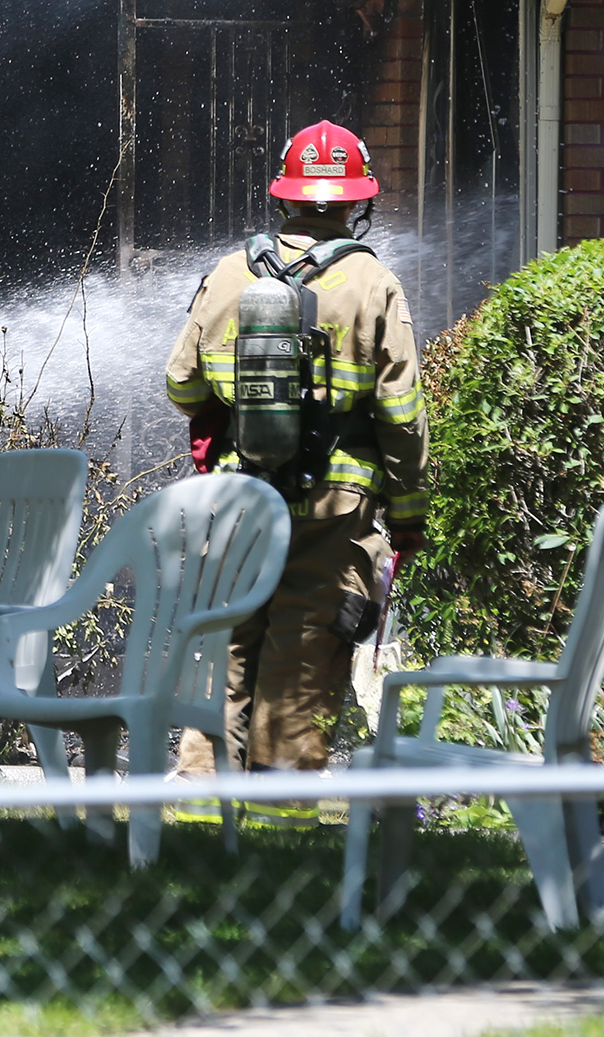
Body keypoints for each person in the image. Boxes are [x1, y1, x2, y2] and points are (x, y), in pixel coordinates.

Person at [164, 121, 427, 821]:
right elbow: (400, 415)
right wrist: (408, 514)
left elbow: (183, 388)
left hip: (237, 500)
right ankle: (282, 821)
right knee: (303, 653)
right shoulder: (373, 283)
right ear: (354, 203)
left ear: (283, 198)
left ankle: (195, 810)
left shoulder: (227, 273)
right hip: (332, 508)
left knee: (225, 646)